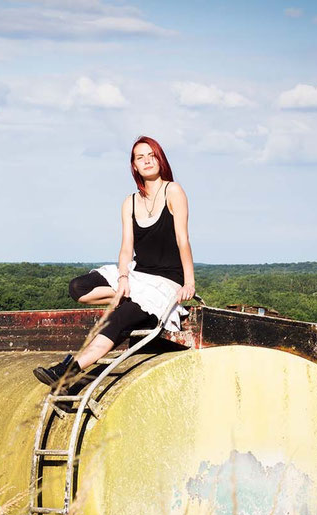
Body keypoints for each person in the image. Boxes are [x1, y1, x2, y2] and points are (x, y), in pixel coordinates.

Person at [33, 135, 196, 388]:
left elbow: (183, 240)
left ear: (160, 159)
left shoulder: (173, 191)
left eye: (151, 155)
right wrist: (122, 278)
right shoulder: (129, 202)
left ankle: (68, 371)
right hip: (137, 275)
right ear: (134, 166)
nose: (147, 161)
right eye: (140, 157)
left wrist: (189, 283)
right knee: (78, 287)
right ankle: (128, 299)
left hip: (165, 283)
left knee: (116, 320)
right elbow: (126, 248)